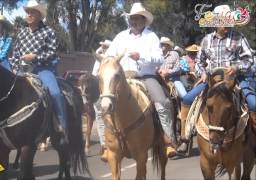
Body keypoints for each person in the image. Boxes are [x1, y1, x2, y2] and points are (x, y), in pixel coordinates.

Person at [177, 5, 254, 153]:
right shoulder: (206, 40)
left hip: (234, 79)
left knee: (253, 104)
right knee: (186, 99)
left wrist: (237, 67)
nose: (226, 25)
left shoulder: (239, 37)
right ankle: (185, 138)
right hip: (211, 80)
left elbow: (249, 59)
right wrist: (203, 73)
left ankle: (252, 138)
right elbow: (199, 62)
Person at [105, 2, 177, 157]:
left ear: (144, 20)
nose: (134, 21)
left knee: (162, 102)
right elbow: (110, 54)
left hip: (145, 76)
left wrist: (141, 56)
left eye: (137, 18)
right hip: (122, 78)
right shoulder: (120, 37)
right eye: (132, 18)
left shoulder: (151, 37)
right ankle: (107, 144)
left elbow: (159, 59)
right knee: (102, 102)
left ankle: (168, 139)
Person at [9, 0, 68, 144]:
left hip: (43, 69)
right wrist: (16, 67)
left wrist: (35, 57)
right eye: (27, 12)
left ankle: (62, 124)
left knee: (55, 93)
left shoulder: (48, 32)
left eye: (32, 12)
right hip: (22, 70)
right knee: (7, 92)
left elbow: (52, 53)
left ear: (40, 15)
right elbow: (15, 54)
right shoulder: (21, 33)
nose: (29, 14)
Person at [92, 39, 111, 161]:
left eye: (105, 46)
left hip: (108, 91)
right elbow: (94, 74)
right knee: (99, 116)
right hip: (99, 89)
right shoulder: (99, 59)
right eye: (102, 46)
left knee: (111, 117)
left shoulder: (111, 59)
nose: (103, 48)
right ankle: (104, 144)